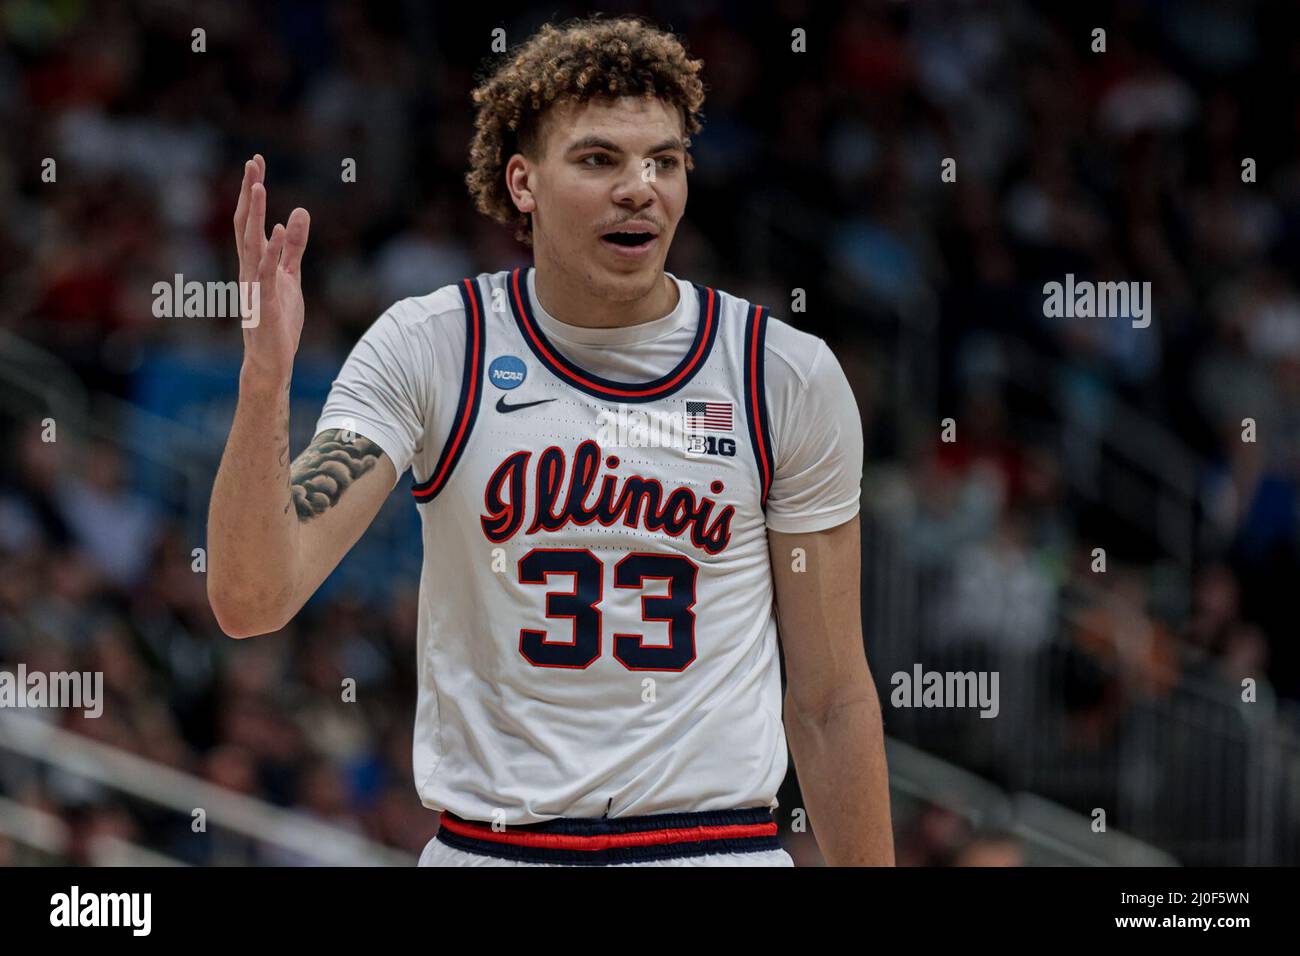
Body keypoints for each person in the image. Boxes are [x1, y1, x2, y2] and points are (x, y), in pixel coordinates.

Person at [207, 15, 893, 867]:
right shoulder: (432, 345)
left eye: (665, 161)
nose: (640, 188)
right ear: (523, 183)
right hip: (491, 849)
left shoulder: (782, 374)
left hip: (712, 847)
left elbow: (830, 702)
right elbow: (250, 599)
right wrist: (264, 386)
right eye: (600, 159)